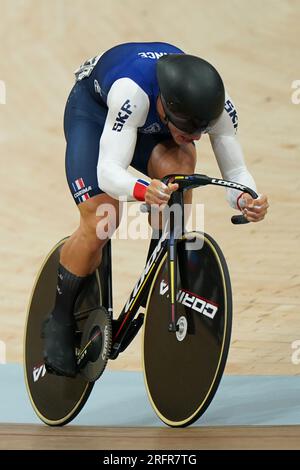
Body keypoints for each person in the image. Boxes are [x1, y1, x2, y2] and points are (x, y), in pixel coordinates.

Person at [42, 42, 269, 377]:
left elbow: (235, 173)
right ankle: (59, 318)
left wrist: (246, 199)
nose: (193, 136)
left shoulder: (216, 107)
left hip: (148, 124)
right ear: (164, 106)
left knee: (182, 172)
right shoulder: (130, 92)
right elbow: (108, 172)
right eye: (185, 128)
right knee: (105, 217)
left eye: (199, 131)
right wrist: (141, 189)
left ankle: (162, 262)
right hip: (95, 114)